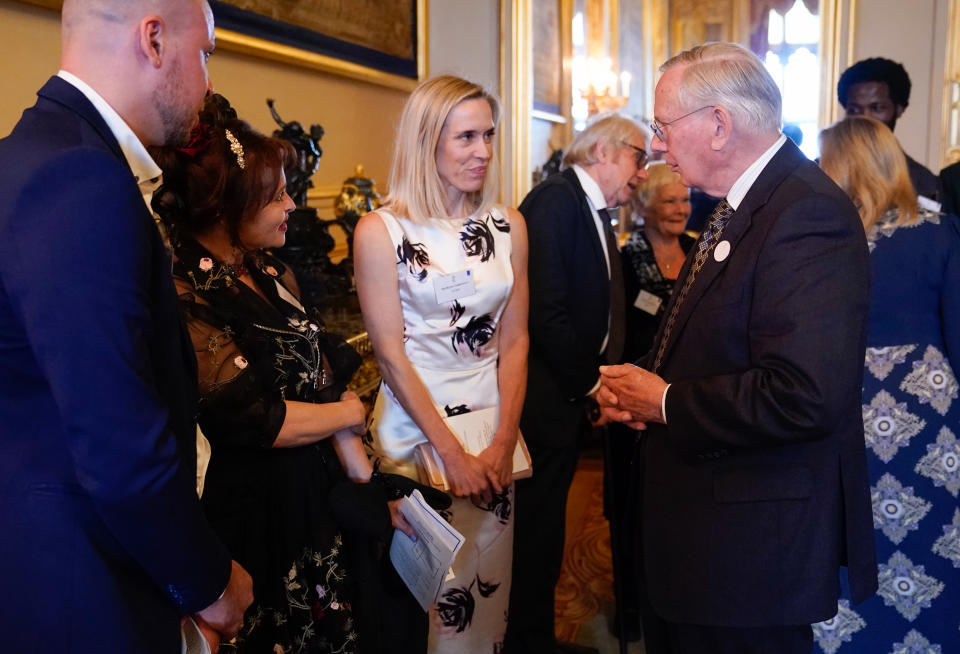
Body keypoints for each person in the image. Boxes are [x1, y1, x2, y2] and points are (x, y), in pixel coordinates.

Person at [598, 43, 878, 654]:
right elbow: (714, 344)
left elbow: (804, 394)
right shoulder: (740, 208)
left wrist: (666, 402)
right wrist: (638, 388)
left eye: (663, 126)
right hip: (704, 546)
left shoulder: (804, 214)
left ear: (719, 124)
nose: (658, 145)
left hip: (747, 555)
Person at [0, 1, 253, 651]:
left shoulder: (33, 152)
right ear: (154, 39)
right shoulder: (79, 178)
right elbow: (118, 441)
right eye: (205, 55)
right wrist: (207, 581)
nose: (208, 83)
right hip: (82, 582)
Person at [151, 95, 419, 653]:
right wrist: (347, 413)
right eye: (276, 197)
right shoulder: (187, 292)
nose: (292, 205)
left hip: (321, 488)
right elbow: (253, 421)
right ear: (229, 209)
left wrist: (365, 483)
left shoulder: (271, 269)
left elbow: (322, 367)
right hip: (260, 507)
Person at [354, 75, 529, 653]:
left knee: (485, 598)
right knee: (422, 606)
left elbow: (517, 339)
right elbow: (390, 355)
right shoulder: (382, 230)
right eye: (466, 137)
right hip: (416, 437)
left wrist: (503, 441)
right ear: (427, 141)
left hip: (491, 435)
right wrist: (450, 453)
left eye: (489, 135)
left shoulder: (508, 226)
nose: (483, 151)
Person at [815, 116, 960, 653]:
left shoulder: (821, 242)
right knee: (930, 545)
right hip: (926, 418)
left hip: (844, 408)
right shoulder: (939, 232)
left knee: (850, 542)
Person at [505, 113, 648, 654]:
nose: (644, 172)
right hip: (543, 402)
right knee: (535, 533)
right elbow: (545, 312)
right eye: (640, 156)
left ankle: (535, 635)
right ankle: (527, 641)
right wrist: (592, 384)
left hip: (563, 400)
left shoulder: (590, 208)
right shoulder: (556, 201)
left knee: (547, 534)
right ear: (605, 151)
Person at [838, 57, 944, 205]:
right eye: (854, 110)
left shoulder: (924, 182)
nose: (865, 118)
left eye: (877, 108)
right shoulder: (822, 173)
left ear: (899, 109)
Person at [622, 163, 695, 362]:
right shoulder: (625, 259)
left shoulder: (701, 252)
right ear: (642, 207)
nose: (681, 210)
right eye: (670, 201)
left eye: (685, 200)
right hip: (641, 368)